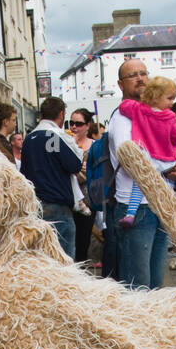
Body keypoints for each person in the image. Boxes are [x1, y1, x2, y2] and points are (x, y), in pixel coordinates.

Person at [106, 59, 176, 289]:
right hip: (136, 207)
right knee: (138, 286)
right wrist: (167, 168)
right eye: (133, 75)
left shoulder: (158, 115)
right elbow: (131, 159)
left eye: (143, 73)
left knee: (154, 285)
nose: (140, 78)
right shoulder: (123, 117)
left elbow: (170, 152)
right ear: (121, 85)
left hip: (159, 202)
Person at [21, 96, 86, 259]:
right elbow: (75, 165)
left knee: (43, 260)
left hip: (36, 207)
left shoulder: (29, 138)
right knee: (63, 260)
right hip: (58, 206)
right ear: (61, 114)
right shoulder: (56, 136)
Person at [118, 77, 176, 228]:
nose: (172, 102)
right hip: (165, 158)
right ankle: (171, 214)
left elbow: (123, 106)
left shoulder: (138, 110)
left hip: (146, 156)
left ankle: (130, 213)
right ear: (156, 96)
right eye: (169, 98)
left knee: (139, 185)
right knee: (167, 185)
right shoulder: (170, 116)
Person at [69, 107, 96, 262]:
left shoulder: (94, 146)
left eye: (78, 124)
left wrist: (78, 172)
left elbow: (96, 174)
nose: (73, 127)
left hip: (87, 200)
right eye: (71, 123)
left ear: (87, 126)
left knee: (83, 243)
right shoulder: (64, 143)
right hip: (68, 200)